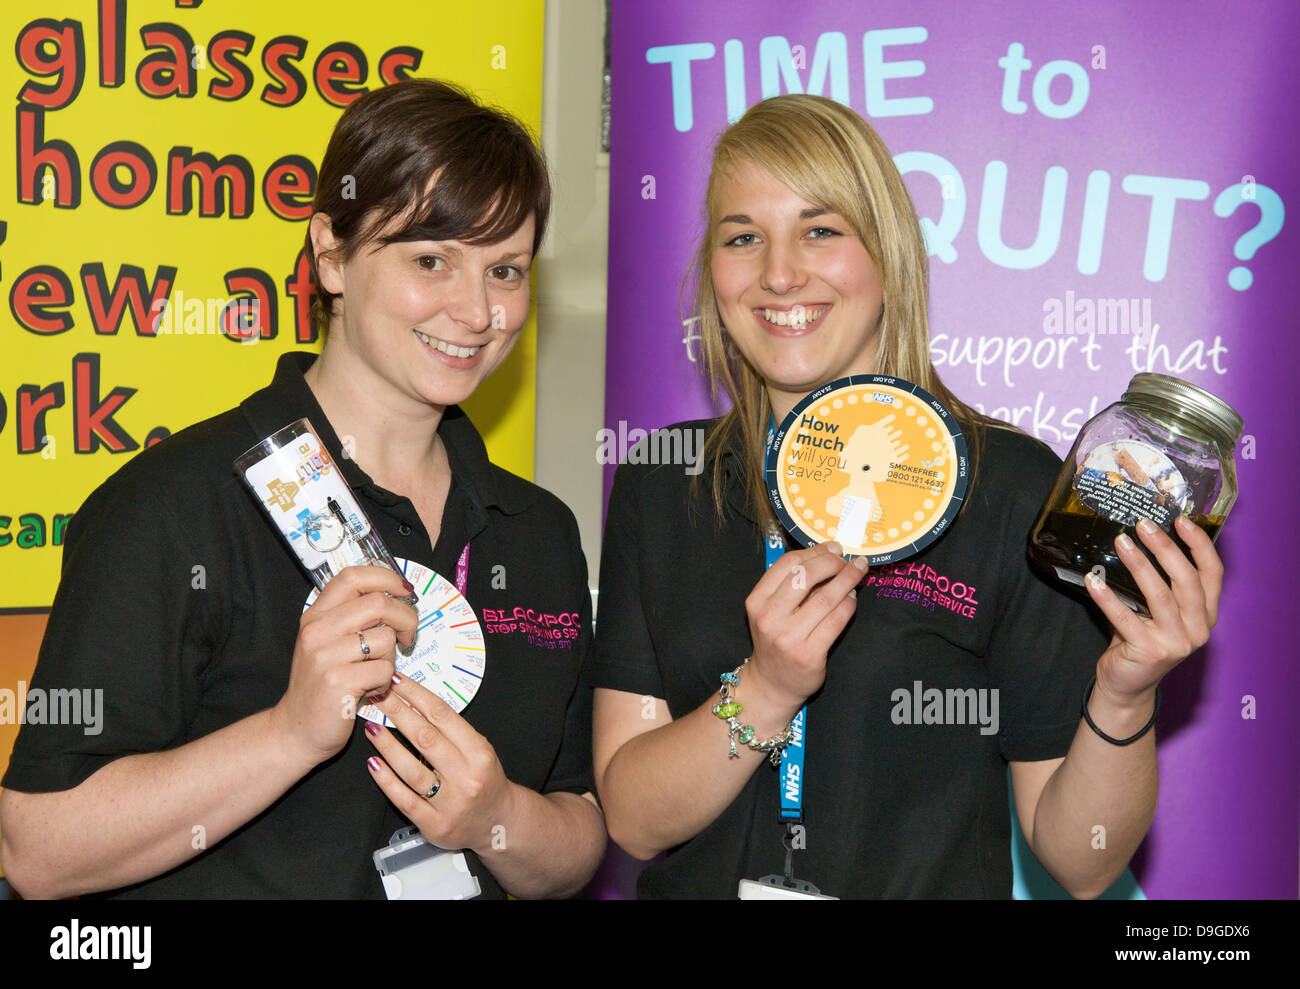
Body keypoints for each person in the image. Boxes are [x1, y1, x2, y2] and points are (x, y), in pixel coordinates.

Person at [591, 94, 1222, 899]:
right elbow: (635, 820)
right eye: (742, 237)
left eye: (821, 230)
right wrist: (767, 686)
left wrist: (1125, 690)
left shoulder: (1014, 490)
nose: (779, 272)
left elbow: (1084, 860)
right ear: (712, 273)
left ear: (885, 255)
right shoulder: (664, 479)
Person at [0, 79, 605, 899]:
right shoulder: (177, 507)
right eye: (431, 260)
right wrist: (289, 733)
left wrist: (495, 814)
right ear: (330, 254)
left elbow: (575, 836)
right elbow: (37, 851)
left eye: (505, 270)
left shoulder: (535, 530)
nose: (477, 309)